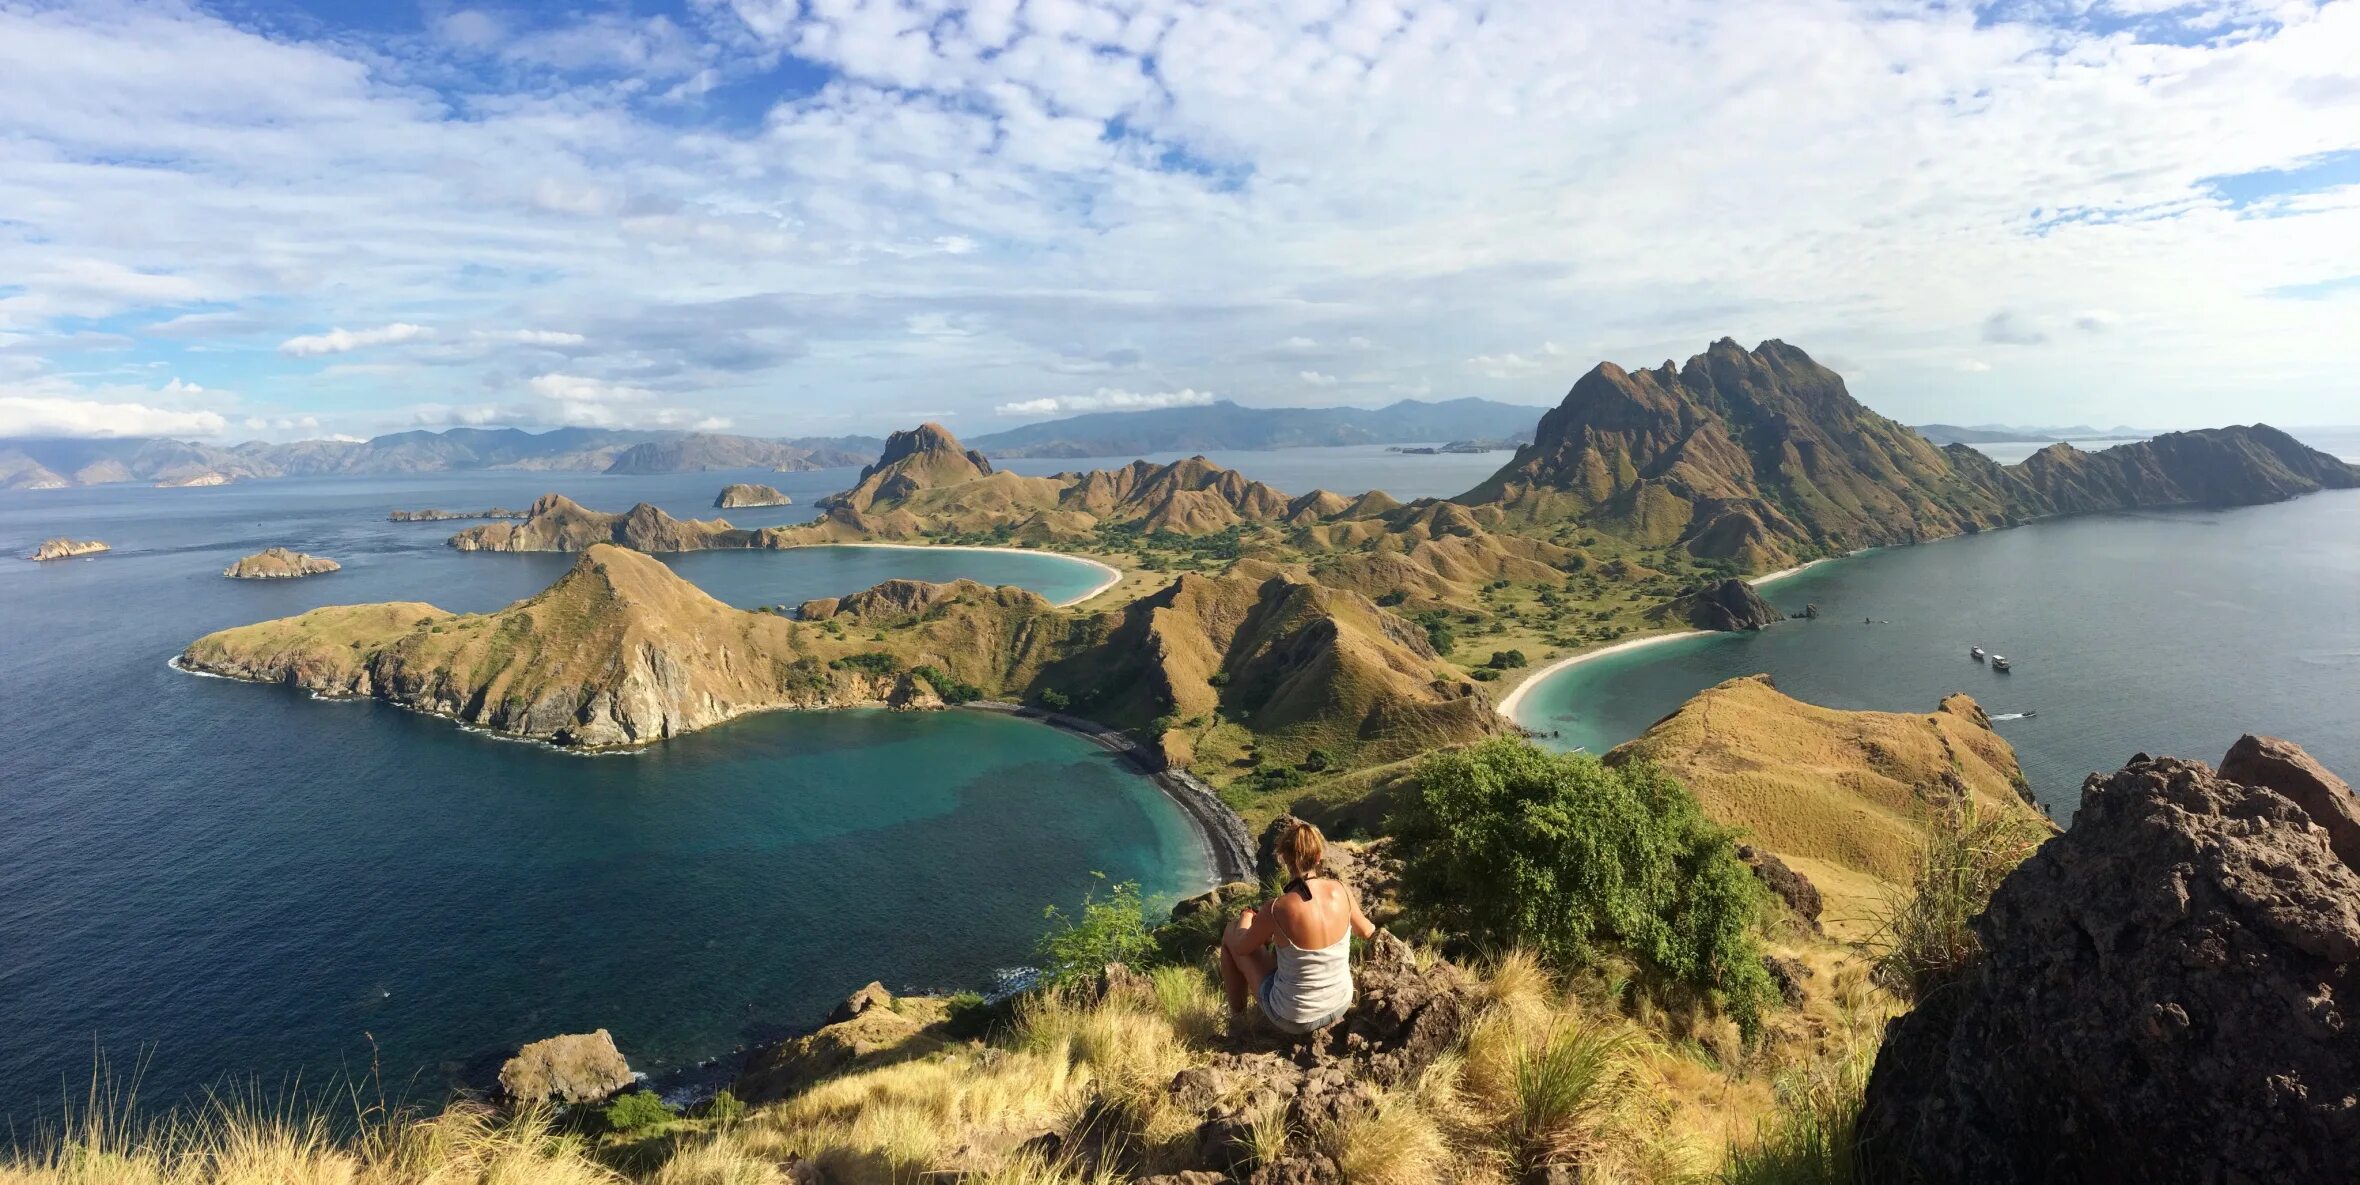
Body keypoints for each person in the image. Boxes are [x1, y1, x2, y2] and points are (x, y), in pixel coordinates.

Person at [1217, 819, 1377, 1034]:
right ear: (1318, 857)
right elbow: (1367, 931)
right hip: (1340, 1003)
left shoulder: (1276, 908)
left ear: (1284, 859)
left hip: (1293, 1018)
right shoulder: (1341, 890)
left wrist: (1246, 917)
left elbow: (1241, 949)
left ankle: (1238, 1020)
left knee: (1230, 933)